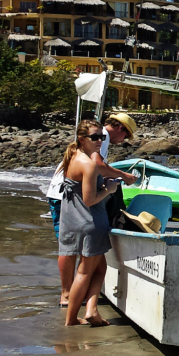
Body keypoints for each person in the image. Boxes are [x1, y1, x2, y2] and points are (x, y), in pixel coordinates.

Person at [46, 113, 137, 307]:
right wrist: (122, 177)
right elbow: (97, 165)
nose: (123, 142)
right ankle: (68, 295)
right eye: (126, 136)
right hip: (65, 196)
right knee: (70, 249)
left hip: (65, 192)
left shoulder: (94, 138)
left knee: (70, 246)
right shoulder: (100, 136)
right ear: (120, 129)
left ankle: (72, 295)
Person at [59, 119, 119, 326]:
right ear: (82, 139)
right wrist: (109, 189)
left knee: (100, 268)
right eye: (94, 137)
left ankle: (91, 310)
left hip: (73, 220)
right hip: (91, 221)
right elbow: (90, 199)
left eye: (102, 137)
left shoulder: (73, 156)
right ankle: (71, 319)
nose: (99, 141)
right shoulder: (88, 164)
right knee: (84, 272)